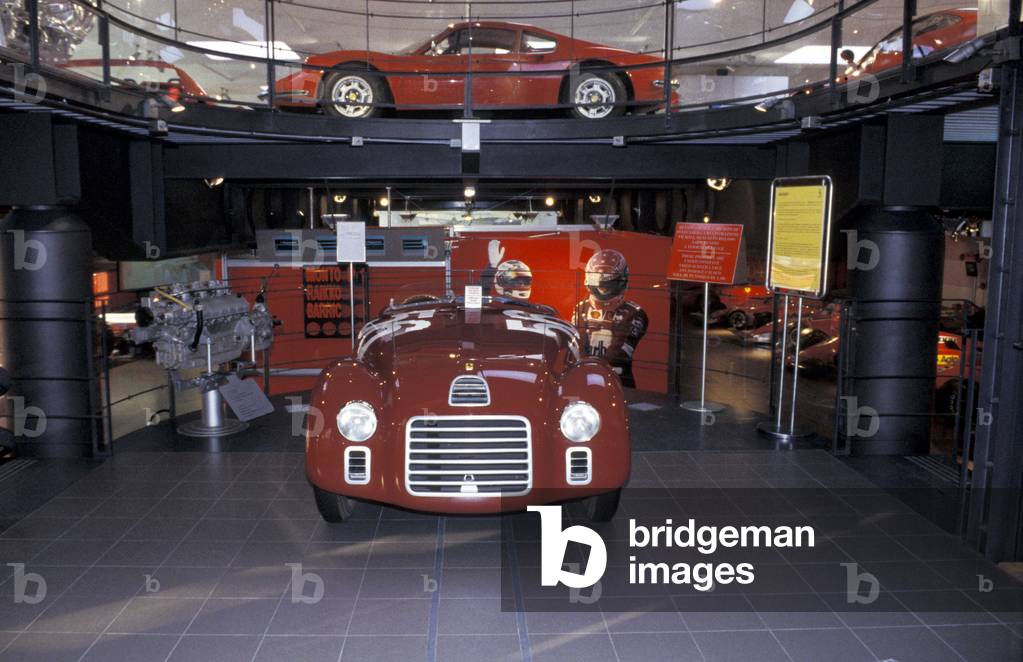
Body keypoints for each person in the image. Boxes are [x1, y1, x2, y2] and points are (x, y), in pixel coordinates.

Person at [573, 249, 647, 388]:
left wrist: (592, 368)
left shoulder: (635, 312)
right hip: (585, 376)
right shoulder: (581, 307)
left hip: (618, 380)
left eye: (609, 284)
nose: (603, 289)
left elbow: (620, 353)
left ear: (622, 280)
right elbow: (577, 345)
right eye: (599, 283)